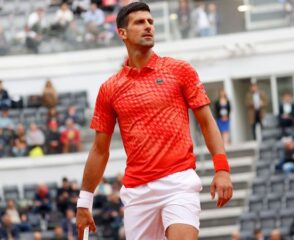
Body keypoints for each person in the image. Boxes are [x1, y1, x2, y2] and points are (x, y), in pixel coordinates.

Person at [75, 2, 233, 240]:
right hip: (137, 193)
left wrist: (221, 169)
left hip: (179, 182)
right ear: (122, 33)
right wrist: (84, 201)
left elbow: (207, 122)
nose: (148, 26)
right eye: (140, 22)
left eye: (150, 22)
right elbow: (99, 150)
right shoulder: (109, 89)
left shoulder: (180, 70)